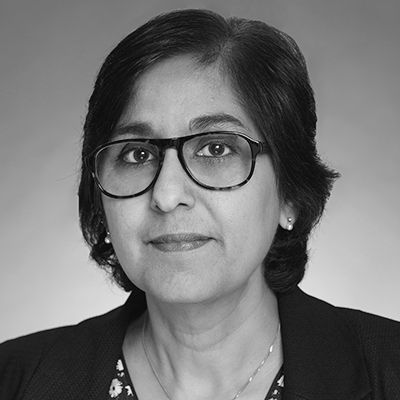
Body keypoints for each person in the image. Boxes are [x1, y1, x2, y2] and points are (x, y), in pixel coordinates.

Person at [1, 8, 399, 400]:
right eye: (137, 154)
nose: (167, 195)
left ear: (290, 193)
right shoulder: (13, 378)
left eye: (216, 148)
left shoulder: (389, 369)